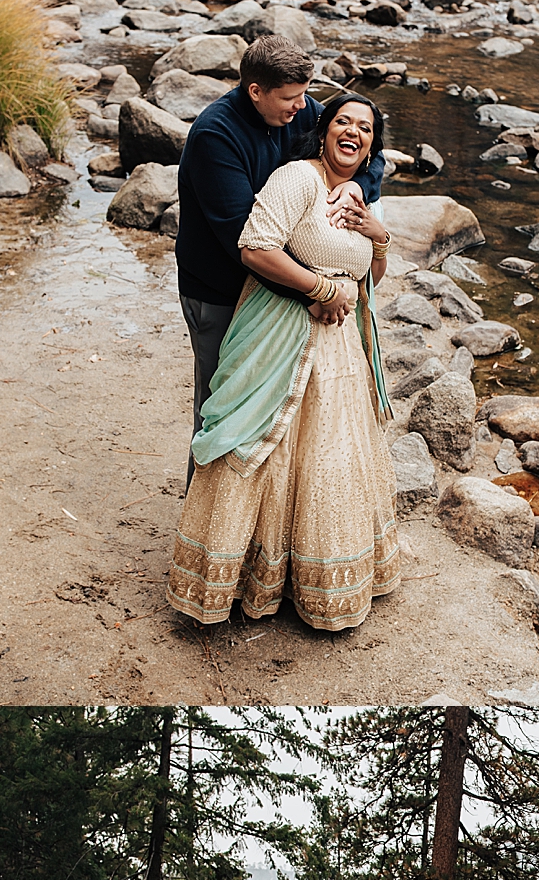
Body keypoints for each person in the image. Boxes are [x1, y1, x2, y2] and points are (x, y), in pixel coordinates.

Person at [166, 92, 407, 632]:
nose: (353, 132)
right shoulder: (297, 178)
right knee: (259, 446)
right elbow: (256, 246)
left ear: (372, 147)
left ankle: (306, 579)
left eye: (364, 128)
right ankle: (238, 574)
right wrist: (322, 288)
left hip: (339, 351)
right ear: (323, 131)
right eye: (343, 121)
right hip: (282, 331)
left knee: (327, 461)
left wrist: (378, 237)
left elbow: (368, 280)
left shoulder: (360, 197)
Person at [175, 34, 385, 485]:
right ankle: (202, 512)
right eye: (292, 98)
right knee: (223, 405)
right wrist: (316, 290)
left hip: (278, 290)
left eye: (305, 94)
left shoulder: (297, 108)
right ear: (256, 91)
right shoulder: (215, 136)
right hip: (218, 290)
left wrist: (359, 186)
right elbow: (244, 241)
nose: (303, 106)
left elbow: (367, 150)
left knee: (275, 407)